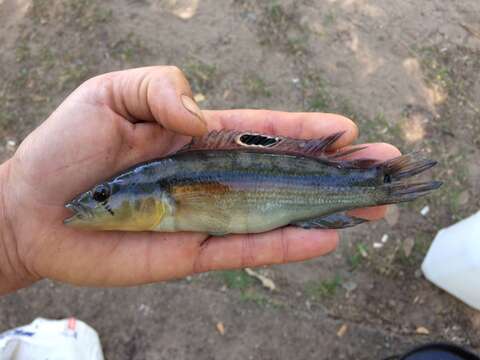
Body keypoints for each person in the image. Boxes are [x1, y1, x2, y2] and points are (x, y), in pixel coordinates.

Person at [0, 66, 401, 295]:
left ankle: (378, 181)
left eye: (103, 193)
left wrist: (13, 230)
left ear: (157, 196)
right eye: (102, 194)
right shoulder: (155, 189)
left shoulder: (170, 186)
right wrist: (13, 228)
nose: (92, 200)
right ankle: (379, 182)